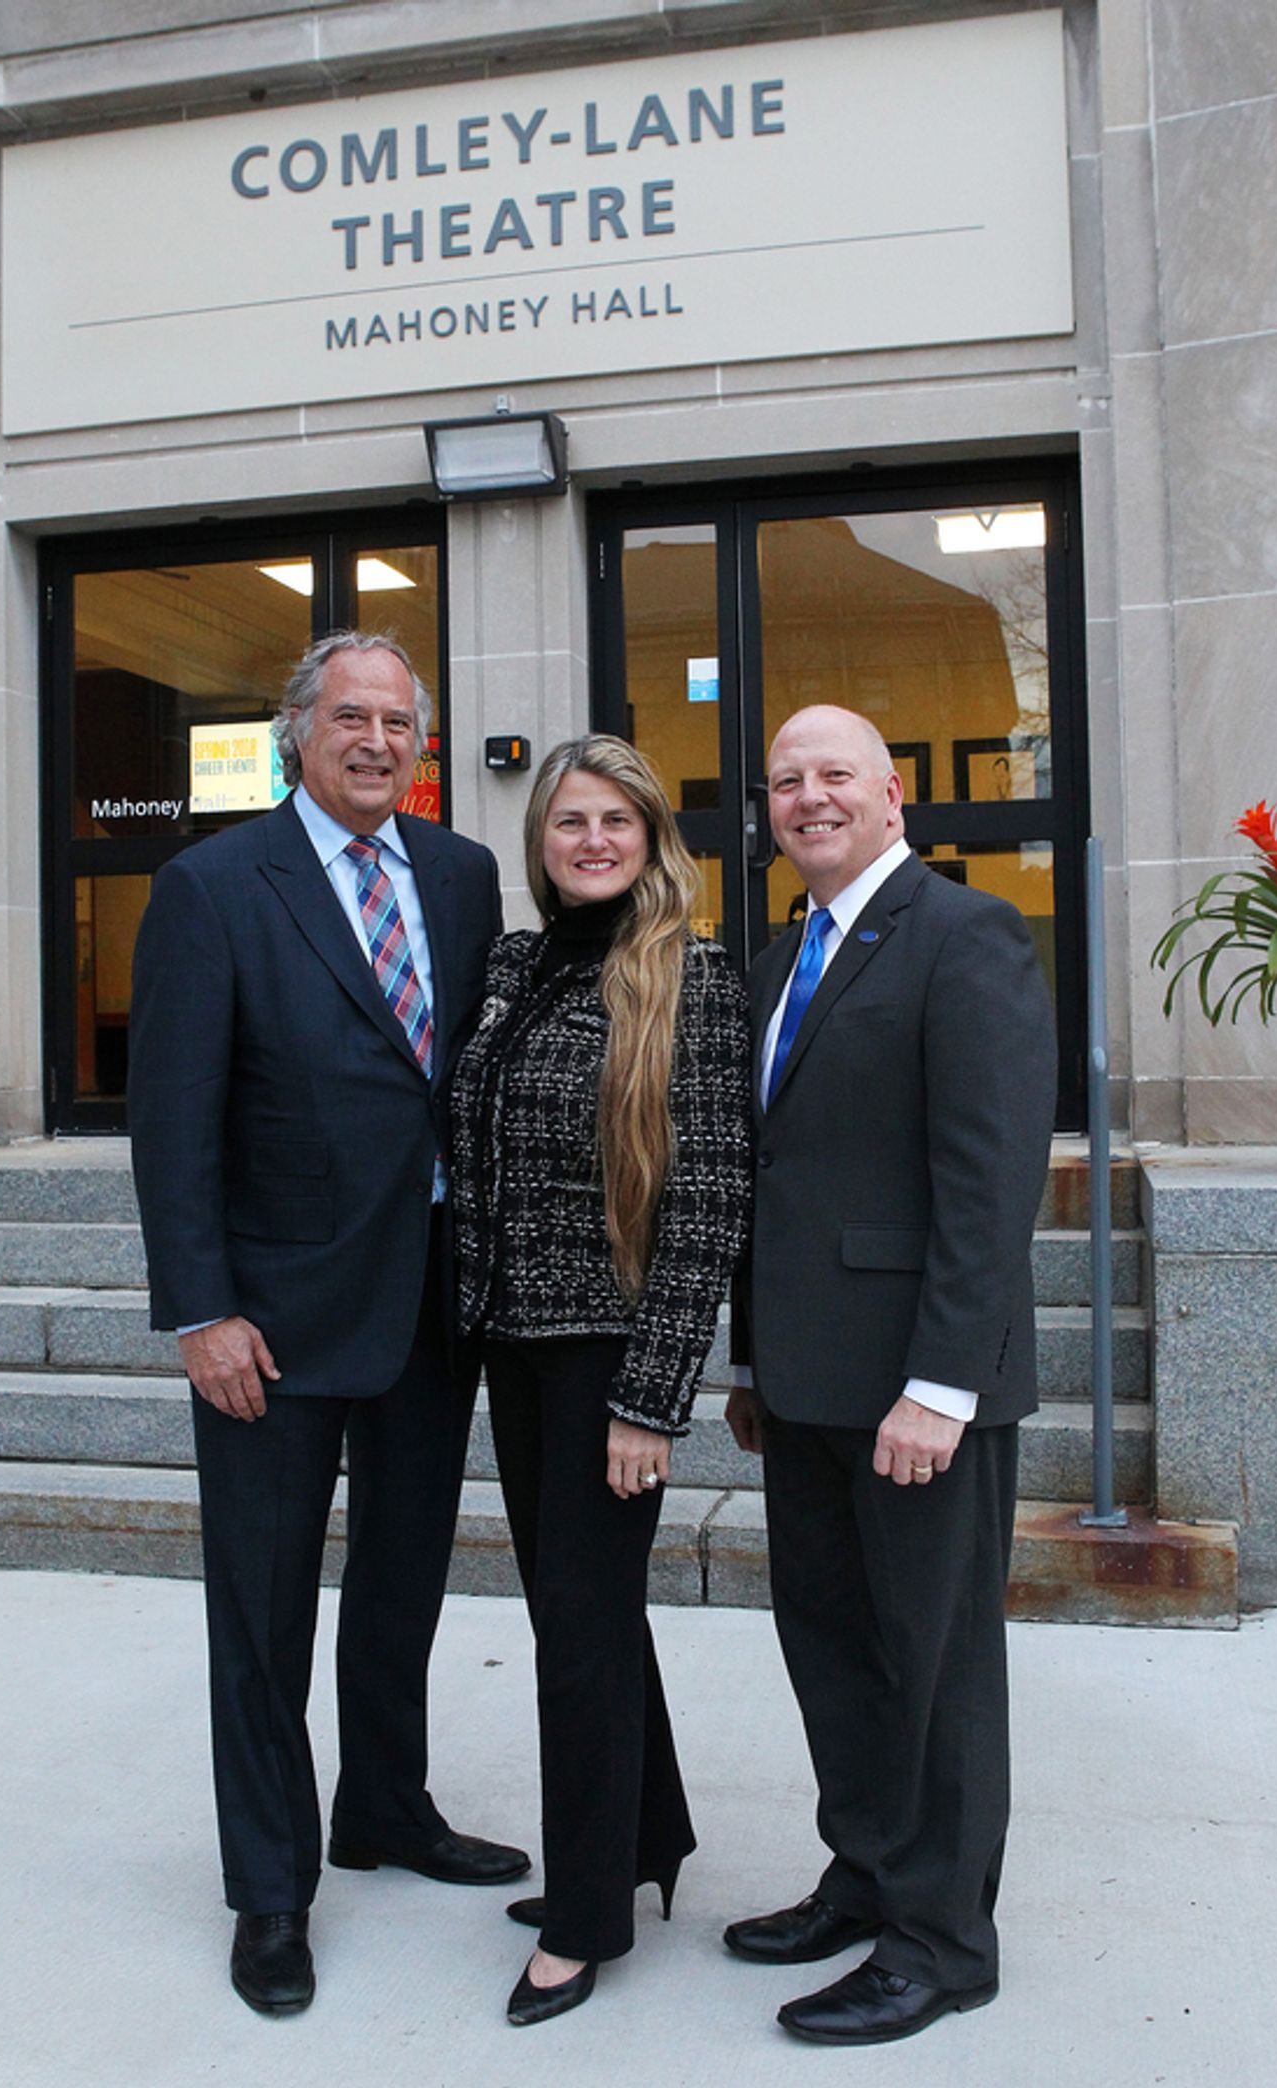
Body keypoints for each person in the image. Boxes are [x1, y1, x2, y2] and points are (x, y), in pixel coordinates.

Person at [128, 630, 528, 2019]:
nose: (377, 740)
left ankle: (386, 1807)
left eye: (400, 722)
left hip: (430, 1302)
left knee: (405, 1584)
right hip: (273, 1322)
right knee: (264, 1613)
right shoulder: (212, 887)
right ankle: (271, 1890)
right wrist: (201, 1310)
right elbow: (171, 1122)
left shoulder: (464, 877)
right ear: (300, 731)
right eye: (351, 718)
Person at [723, 705, 1057, 2048]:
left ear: (894, 793)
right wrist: (754, 1360)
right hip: (804, 1385)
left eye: (834, 776)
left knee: (936, 1666)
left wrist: (944, 1385)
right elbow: (774, 1183)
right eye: (787, 782)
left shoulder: (966, 937)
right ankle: (864, 1875)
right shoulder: (776, 958)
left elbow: (989, 1187)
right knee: (839, 1656)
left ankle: (941, 1941)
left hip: (920, 1390)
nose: (809, 798)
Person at [452, 735, 751, 2028]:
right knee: (588, 1616)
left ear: (651, 837)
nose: (589, 840)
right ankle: (639, 1841)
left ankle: (583, 1925)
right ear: (543, 842)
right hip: (510, 1342)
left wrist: (650, 1399)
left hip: (604, 1357)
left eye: (614, 820)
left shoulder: (697, 977)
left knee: (576, 1636)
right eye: (568, 820)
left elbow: (708, 1204)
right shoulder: (514, 965)